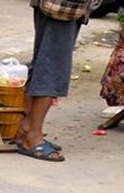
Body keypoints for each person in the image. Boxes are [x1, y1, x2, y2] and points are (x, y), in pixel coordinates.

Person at [15, 0, 93, 160]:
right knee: (54, 65)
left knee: (44, 61)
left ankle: (23, 131)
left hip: (61, 6)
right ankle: (32, 135)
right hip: (62, 6)